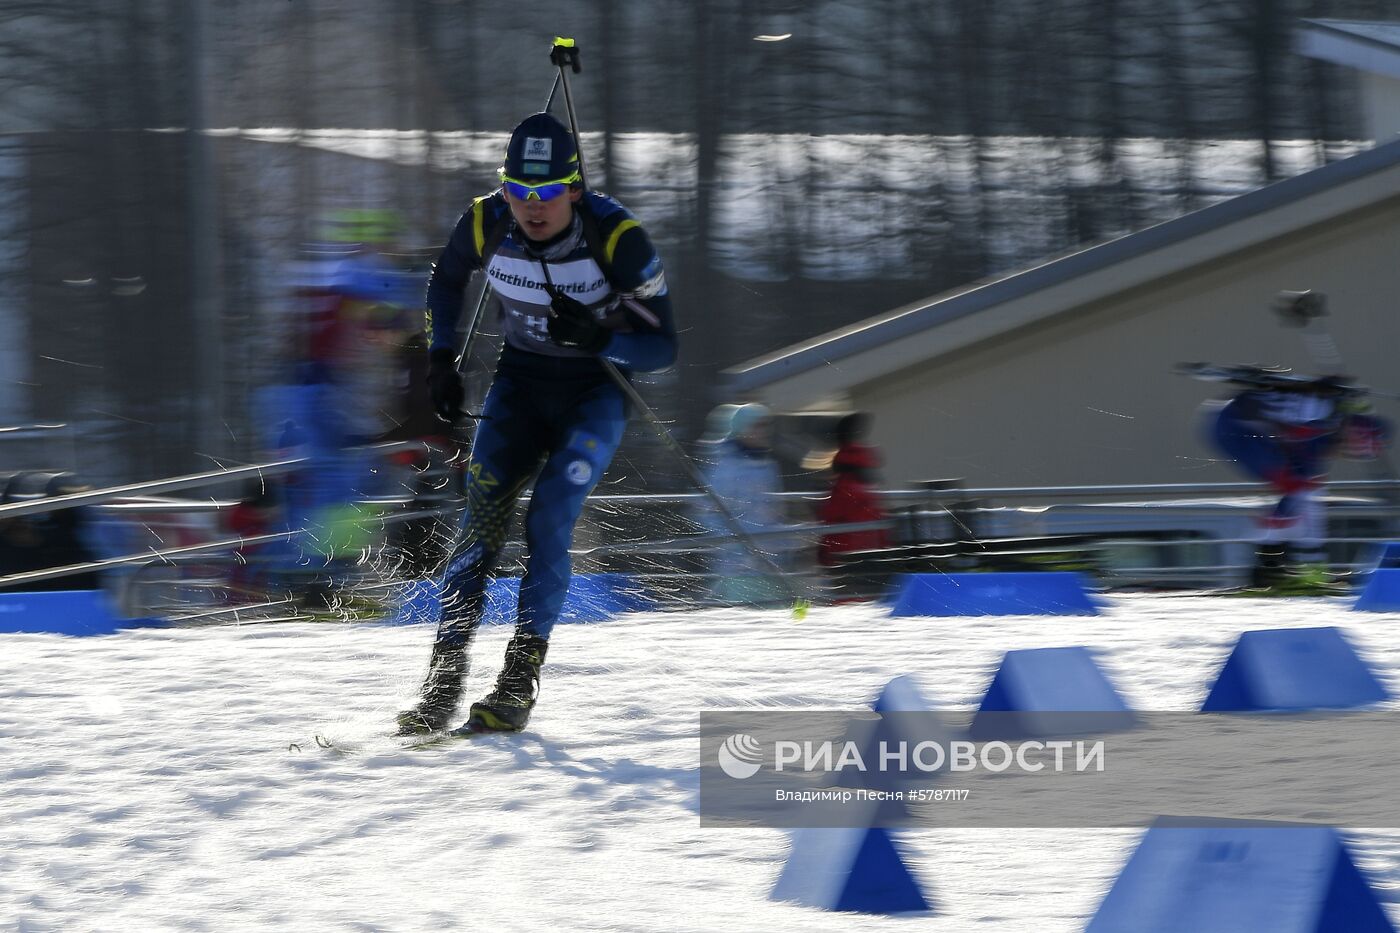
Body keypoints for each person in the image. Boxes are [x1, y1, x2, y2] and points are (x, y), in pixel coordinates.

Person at [397, 111, 677, 735]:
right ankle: (442, 685)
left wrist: (602, 335)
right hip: (520, 387)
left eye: (547, 192)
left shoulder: (618, 237)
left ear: (574, 189)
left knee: (548, 516)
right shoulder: (485, 220)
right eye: (518, 192)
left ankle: (517, 683)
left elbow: (664, 347)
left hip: (594, 394)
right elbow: (445, 279)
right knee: (481, 521)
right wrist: (440, 358)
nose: (532, 207)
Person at [1207, 369, 1390, 592]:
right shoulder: (1322, 419)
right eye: (1350, 449)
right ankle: (1267, 569)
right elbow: (1296, 422)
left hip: (1243, 422)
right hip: (1233, 424)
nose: (1344, 454)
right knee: (1296, 488)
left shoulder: (1326, 431)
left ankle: (1304, 566)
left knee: (1307, 490)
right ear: (1351, 433)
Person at [697, 402, 790, 606]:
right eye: (757, 426)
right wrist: (739, 547)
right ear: (742, 429)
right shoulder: (726, 467)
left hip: (770, 563)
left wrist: (787, 541)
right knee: (747, 621)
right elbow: (709, 514)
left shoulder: (766, 465)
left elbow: (772, 513)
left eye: (766, 426)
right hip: (738, 567)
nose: (764, 432)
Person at [816, 412, 892, 599]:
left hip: (848, 562)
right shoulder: (868, 479)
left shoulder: (843, 486)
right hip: (876, 558)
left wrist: (823, 557)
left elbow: (830, 524)